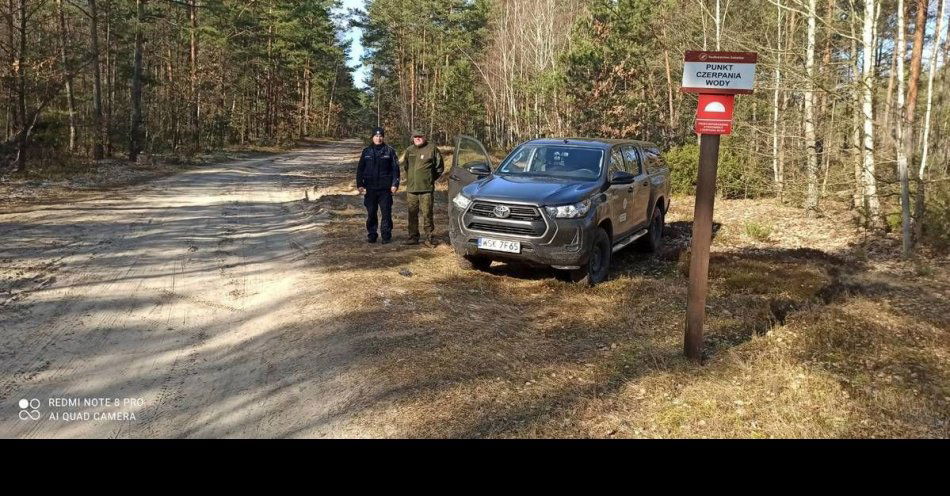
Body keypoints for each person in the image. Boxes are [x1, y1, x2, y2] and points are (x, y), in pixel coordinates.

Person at [399, 129, 444, 246]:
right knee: (412, 213)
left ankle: (429, 238)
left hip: (426, 189)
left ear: (424, 137)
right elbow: (406, 167)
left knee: (427, 213)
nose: (417, 138)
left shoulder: (432, 149)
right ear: (412, 138)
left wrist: (429, 179)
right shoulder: (409, 150)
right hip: (412, 189)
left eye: (419, 136)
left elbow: (439, 168)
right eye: (415, 137)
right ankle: (413, 237)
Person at [356, 127, 399, 244]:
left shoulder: (389, 151)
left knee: (386, 213)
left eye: (380, 136)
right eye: (376, 136)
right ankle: (372, 234)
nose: (378, 138)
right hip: (370, 188)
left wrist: (395, 184)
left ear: (383, 137)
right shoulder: (366, 152)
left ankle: (386, 235)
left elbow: (395, 169)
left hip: (385, 189)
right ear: (372, 137)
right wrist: (359, 184)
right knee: (371, 212)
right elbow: (360, 169)